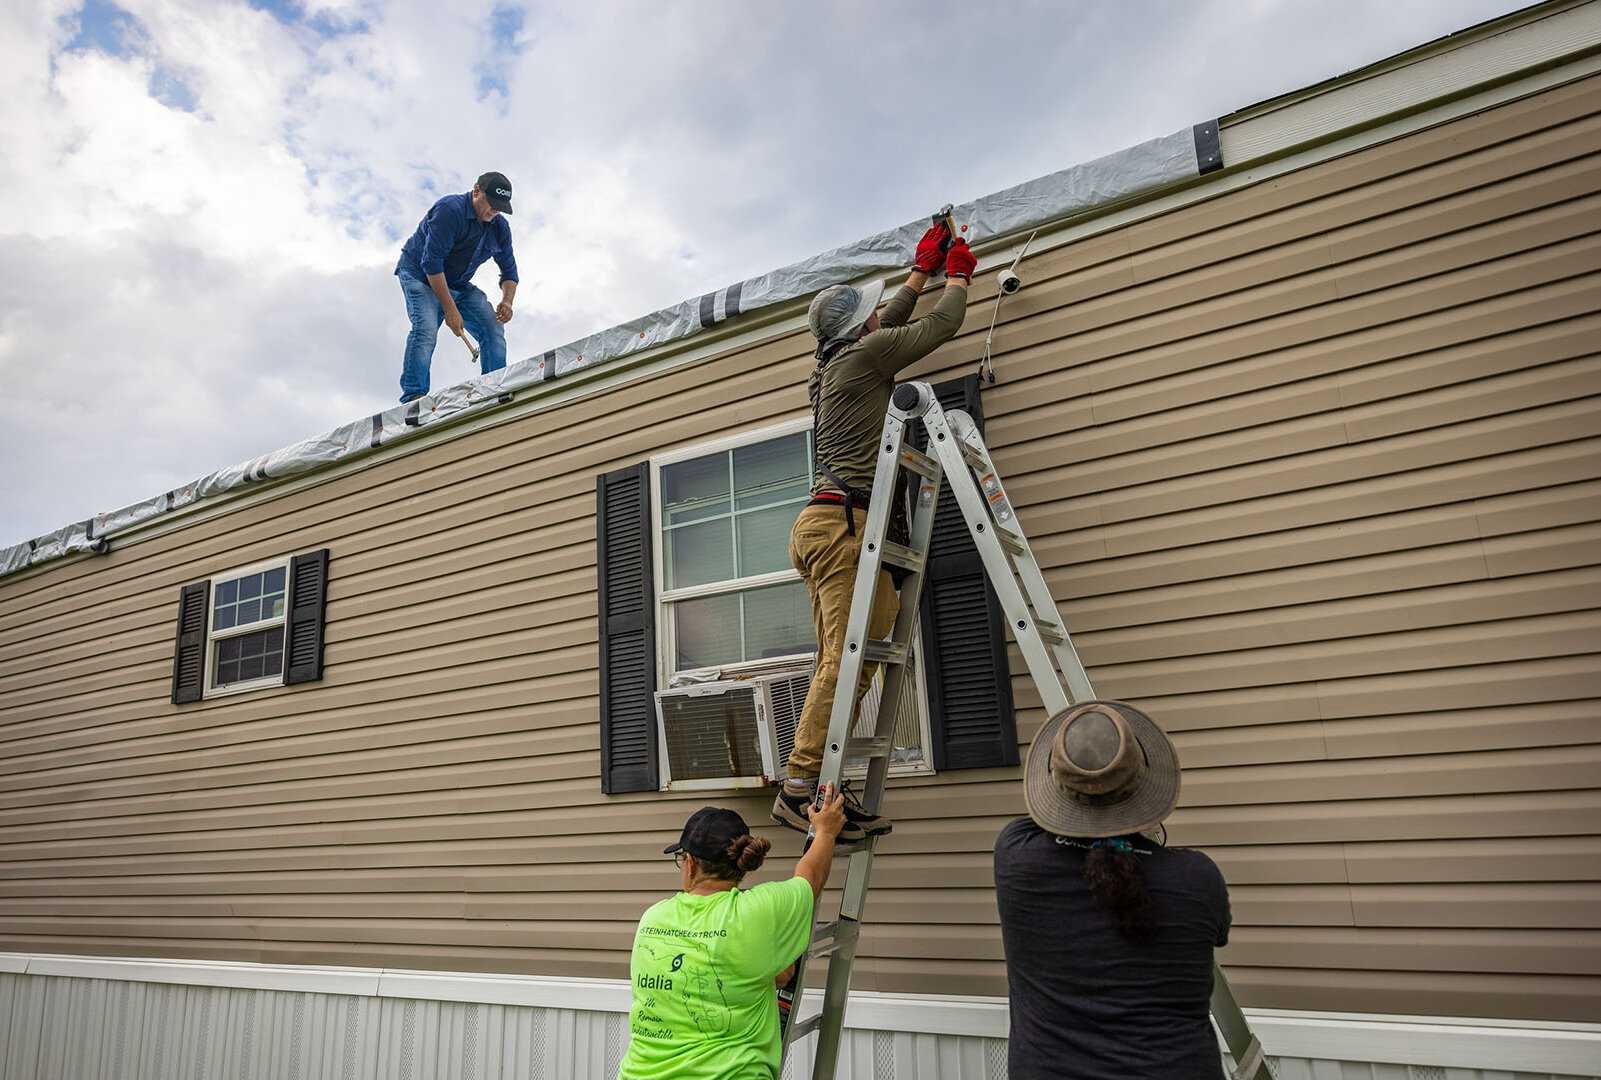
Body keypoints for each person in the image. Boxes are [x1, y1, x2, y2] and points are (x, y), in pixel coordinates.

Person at [770, 223, 977, 843]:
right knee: (845, 659)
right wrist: (959, 276)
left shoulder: (834, 360)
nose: (877, 320)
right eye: (869, 317)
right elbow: (938, 329)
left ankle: (822, 786)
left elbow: (886, 319)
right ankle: (799, 788)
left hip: (832, 524)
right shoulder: (863, 356)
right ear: (859, 331)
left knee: (859, 652)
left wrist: (921, 273)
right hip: (841, 525)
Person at [993, 700, 1232, 1079]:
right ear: (1145, 782)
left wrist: (1079, 775)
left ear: (1057, 786)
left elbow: (1036, 816)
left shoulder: (1016, 855)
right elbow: (1218, 936)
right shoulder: (1197, 877)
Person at [618, 786, 847, 1080]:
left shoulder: (653, 918)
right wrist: (826, 831)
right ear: (742, 863)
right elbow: (811, 875)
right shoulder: (761, 912)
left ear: (690, 863)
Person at [394, 171, 520, 402]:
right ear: (476, 192)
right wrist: (450, 310)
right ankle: (414, 397)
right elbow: (431, 264)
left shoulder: (500, 227)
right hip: (420, 275)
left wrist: (507, 301)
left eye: (499, 207)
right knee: (426, 329)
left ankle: (494, 385)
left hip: (457, 283)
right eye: (491, 204)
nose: (494, 211)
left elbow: (510, 272)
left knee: (492, 327)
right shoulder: (449, 211)